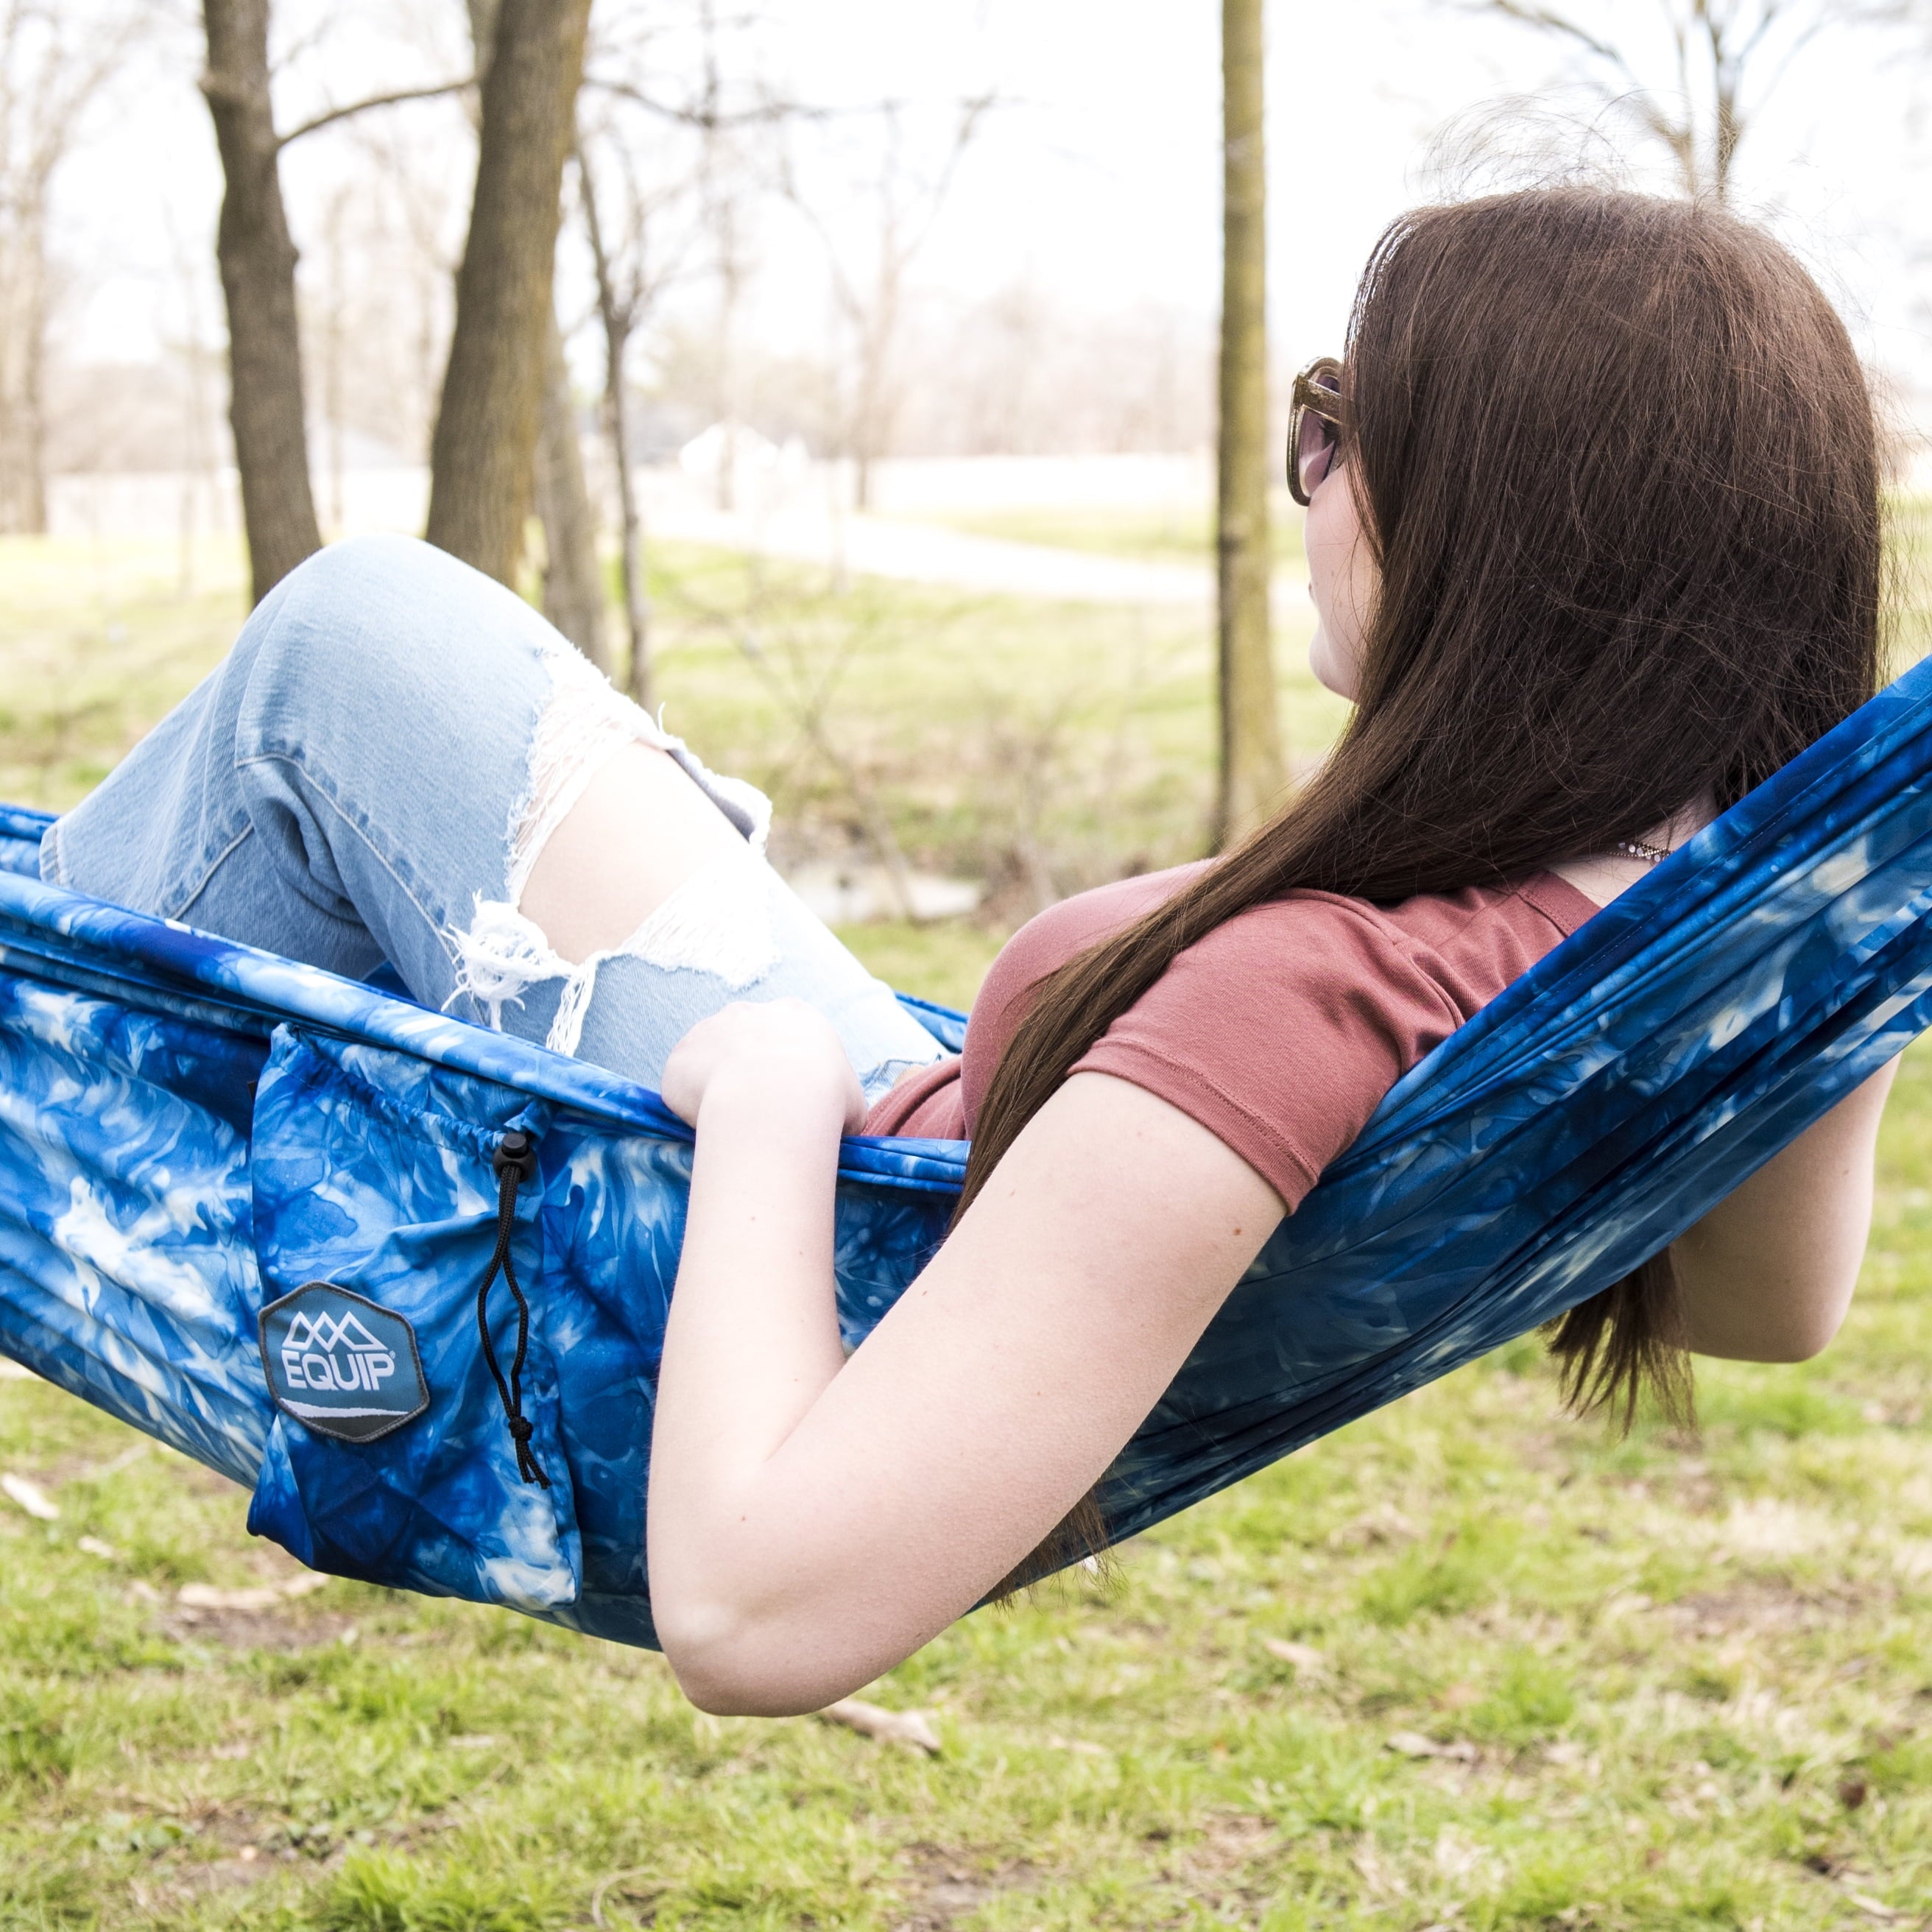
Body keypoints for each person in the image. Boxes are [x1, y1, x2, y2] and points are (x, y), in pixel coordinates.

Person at [43, 187, 1896, 1717]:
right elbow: (1769, 1300)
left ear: (1493, 534)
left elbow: (753, 1610)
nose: (1309, 479)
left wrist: (770, 1098)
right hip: (898, 1163)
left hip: (752, 1262)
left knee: (340, 644)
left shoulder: (1305, 995)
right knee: (377, 658)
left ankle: (52, 1097)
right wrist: (1816, 895)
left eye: (1338, 428)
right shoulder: (1661, 928)